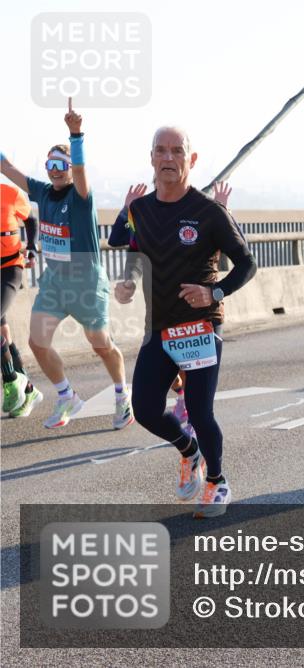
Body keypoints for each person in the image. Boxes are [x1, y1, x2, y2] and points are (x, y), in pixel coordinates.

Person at [115, 127, 256, 518]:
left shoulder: (209, 212)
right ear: (151, 158)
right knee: (144, 408)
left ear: (191, 160)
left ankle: (217, 482)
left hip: (199, 327)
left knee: (199, 410)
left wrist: (215, 293)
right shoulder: (139, 210)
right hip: (159, 327)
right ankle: (188, 451)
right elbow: (134, 249)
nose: (169, 158)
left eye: (178, 151)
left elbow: (247, 264)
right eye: (161, 150)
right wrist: (128, 281)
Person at [0, 99, 133, 429]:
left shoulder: (81, 197)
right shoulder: (43, 193)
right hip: (55, 283)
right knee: (37, 342)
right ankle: (66, 396)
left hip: (86, 283)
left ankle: (121, 394)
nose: (56, 169)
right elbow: (8, 168)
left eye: (62, 164)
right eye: (51, 163)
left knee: (100, 344)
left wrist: (75, 135)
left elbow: (82, 172)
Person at [1, 183, 43, 416]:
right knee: (3, 335)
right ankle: (28, 390)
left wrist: (32, 247)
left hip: (10, 268)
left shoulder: (10, 193)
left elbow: (31, 220)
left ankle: (10, 381)